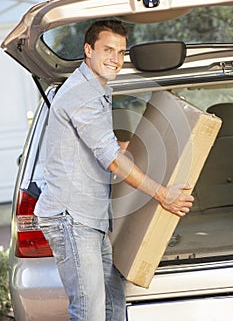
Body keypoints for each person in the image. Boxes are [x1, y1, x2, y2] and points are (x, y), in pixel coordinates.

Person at [34, 19, 194, 321]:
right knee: (90, 313)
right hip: (72, 218)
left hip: (90, 217)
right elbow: (111, 159)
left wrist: (128, 146)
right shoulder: (82, 93)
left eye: (121, 52)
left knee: (112, 306)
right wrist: (163, 194)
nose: (115, 60)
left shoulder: (96, 88)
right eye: (108, 50)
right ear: (88, 50)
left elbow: (99, 145)